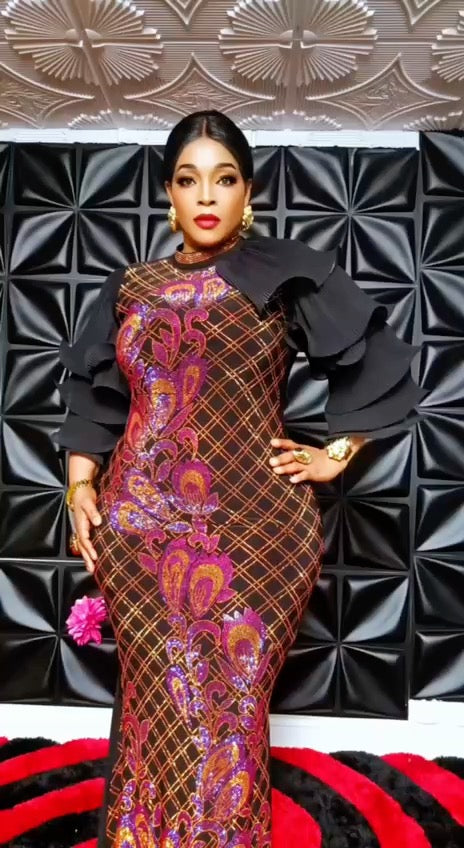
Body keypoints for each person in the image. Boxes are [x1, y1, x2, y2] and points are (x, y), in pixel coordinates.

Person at [53, 110, 428, 847]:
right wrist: (79, 488)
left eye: (224, 179)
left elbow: (377, 362)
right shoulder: (130, 288)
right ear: (168, 193)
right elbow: (94, 401)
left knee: (226, 709)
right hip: (140, 531)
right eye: (188, 179)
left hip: (258, 531)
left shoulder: (283, 274)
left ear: (247, 191)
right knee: (162, 705)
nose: (206, 195)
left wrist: (335, 454)